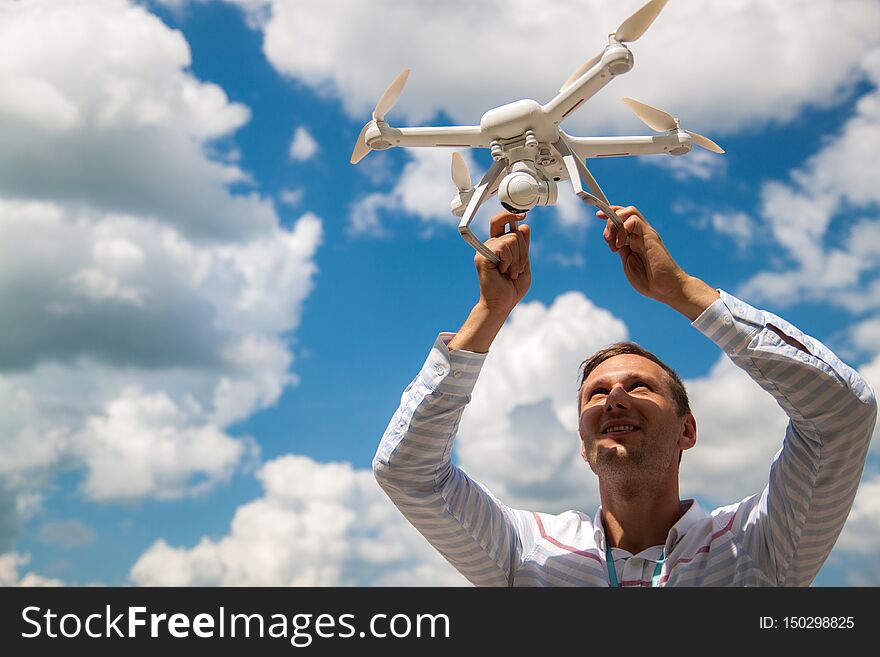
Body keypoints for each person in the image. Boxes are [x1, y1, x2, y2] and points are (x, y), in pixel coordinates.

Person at [373, 206, 877, 586]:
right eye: (595, 394)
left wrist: (681, 289)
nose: (614, 397)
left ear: (687, 430)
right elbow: (407, 471)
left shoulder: (759, 545)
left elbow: (842, 414)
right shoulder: (525, 553)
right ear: (583, 443)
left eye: (639, 386)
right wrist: (489, 312)